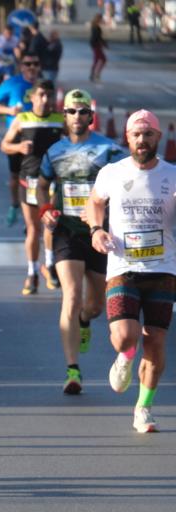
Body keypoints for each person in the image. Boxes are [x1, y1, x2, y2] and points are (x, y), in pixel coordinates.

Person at [87, 110, 176, 433]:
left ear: (157, 138)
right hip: (123, 266)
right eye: (137, 134)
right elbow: (94, 202)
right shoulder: (111, 172)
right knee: (127, 335)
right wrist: (97, 229)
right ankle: (124, 357)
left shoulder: (172, 174)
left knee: (156, 343)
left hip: (163, 268)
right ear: (127, 137)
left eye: (148, 134)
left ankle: (144, 407)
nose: (142, 140)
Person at [38, 89, 126, 394]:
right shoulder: (54, 151)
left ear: (91, 116)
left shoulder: (110, 150)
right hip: (67, 232)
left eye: (83, 111)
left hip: (100, 234)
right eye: (72, 111)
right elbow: (41, 185)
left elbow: (132, 177)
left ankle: (86, 321)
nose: (77, 117)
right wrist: (47, 210)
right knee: (71, 296)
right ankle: (72, 369)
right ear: (64, 116)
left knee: (94, 306)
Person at [0, 78, 64, 295]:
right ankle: (32, 272)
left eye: (50, 96)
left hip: (53, 181)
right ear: (33, 97)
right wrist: (18, 146)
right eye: (42, 95)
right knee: (34, 228)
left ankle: (51, 265)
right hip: (30, 181)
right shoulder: (22, 119)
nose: (46, 100)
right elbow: (4, 145)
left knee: (50, 225)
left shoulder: (59, 120)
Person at [0, 53, 41, 227]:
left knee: (39, 176)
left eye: (35, 63)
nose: (32, 67)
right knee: (15, 176)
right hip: (17, 134)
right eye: (28, 64)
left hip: (41, 133)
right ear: (22, 66)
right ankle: (14, 204)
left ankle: (35, 211)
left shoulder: (44, 86)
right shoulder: (12, 83)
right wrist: (10, 111)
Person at [90, 14, 108, 82]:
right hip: (96, 45)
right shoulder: (96, 27)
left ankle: (94, 74)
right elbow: (98, 37)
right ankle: (96, 74)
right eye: (101, 19)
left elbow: (97, 37)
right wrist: (104, 43)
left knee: (97, 60)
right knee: (102, 59)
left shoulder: (95, 26)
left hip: (95, 45)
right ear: (99, 19)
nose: (102, 20)